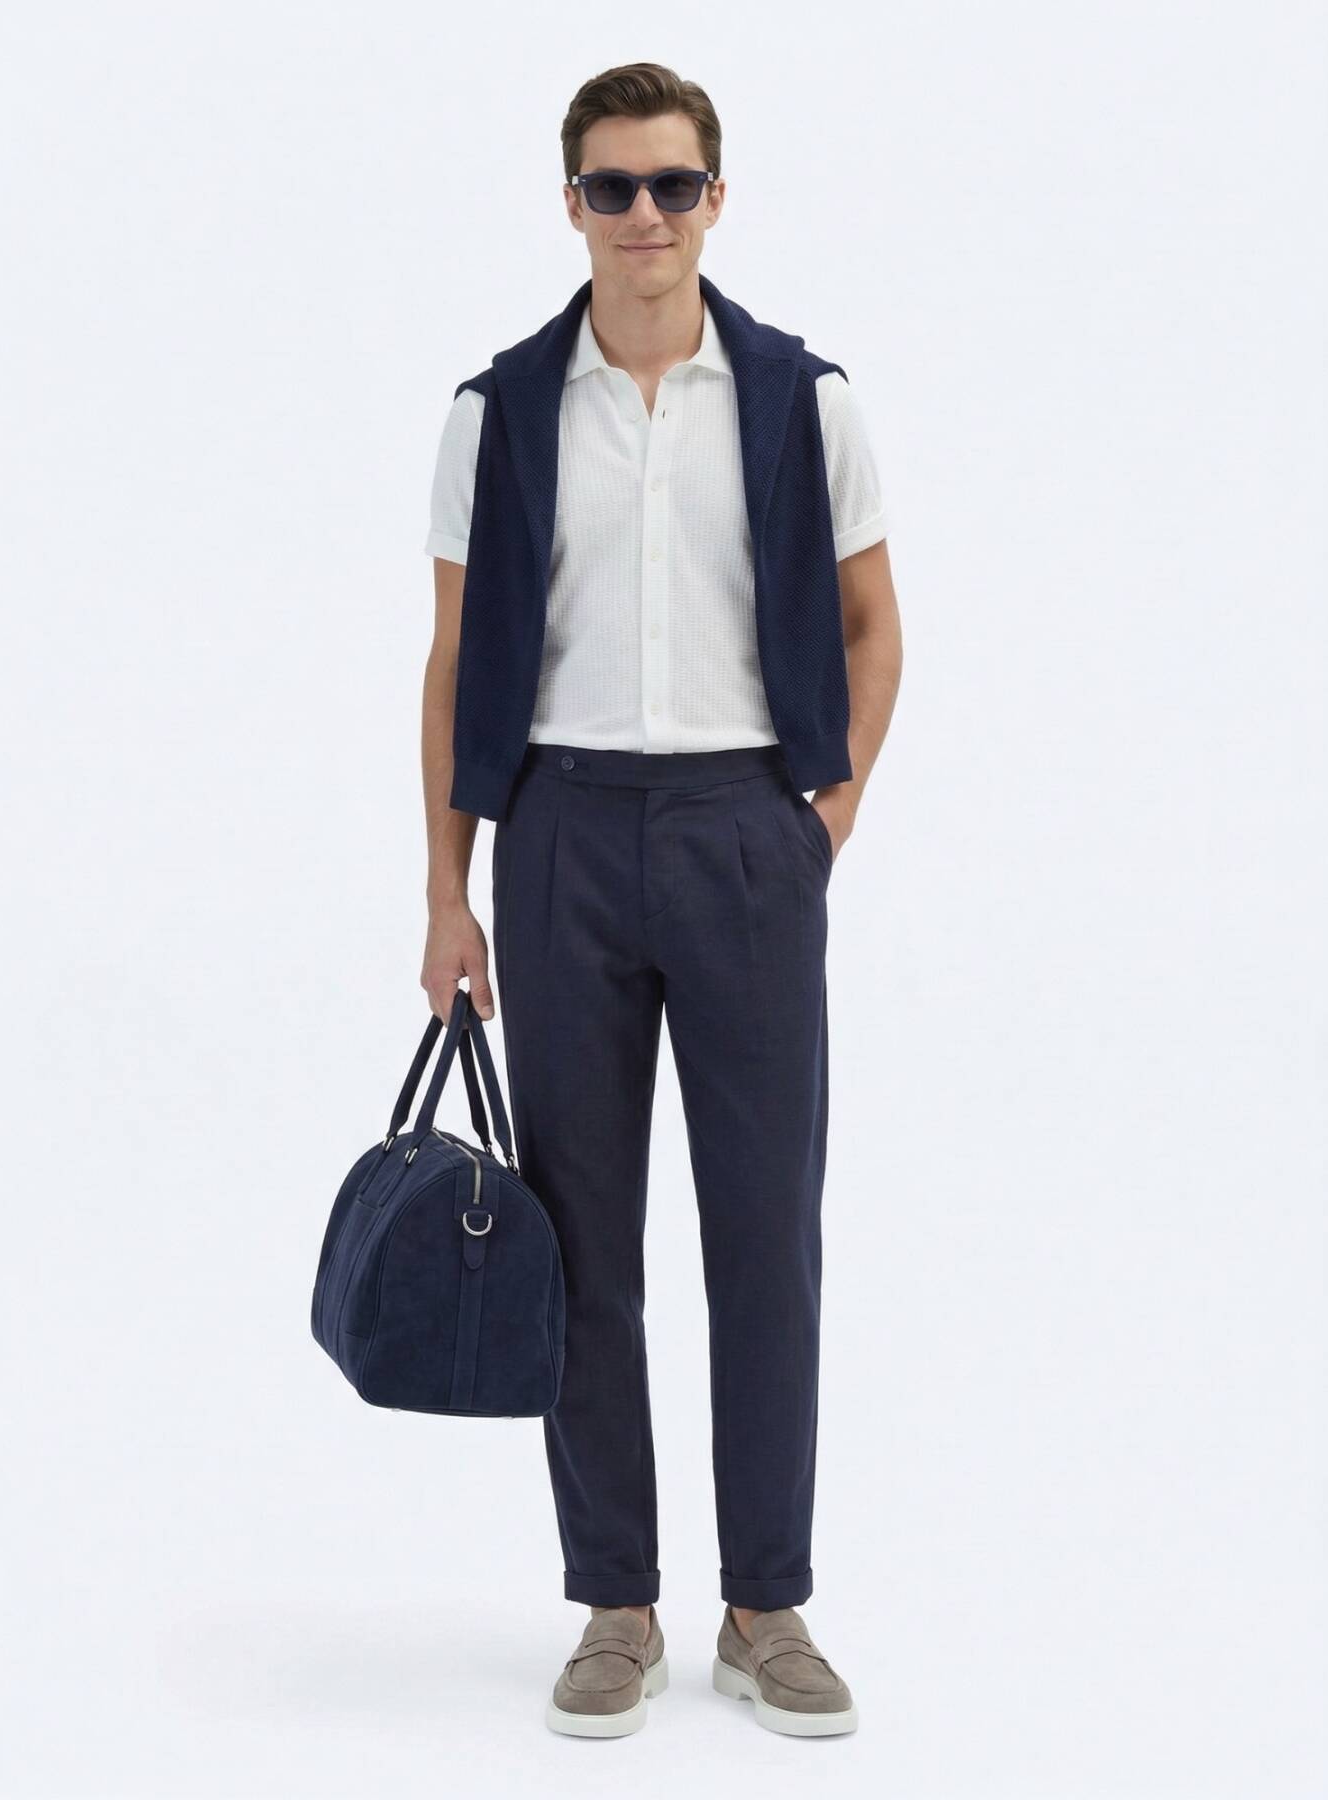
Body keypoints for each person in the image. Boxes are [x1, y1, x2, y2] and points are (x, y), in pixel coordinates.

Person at [418, 61, 902, 1738]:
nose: (644, 215)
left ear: (714, 199)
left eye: (672, 185)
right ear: (571, 204)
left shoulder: (800, 400)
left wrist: (819, 826)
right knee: (579, 1239)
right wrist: (448, 892)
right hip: (558, 832)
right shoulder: (496, 411)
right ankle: (613, 1602)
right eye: (613, 187)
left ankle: (764, 1603)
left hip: (745, 831)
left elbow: (872, 625)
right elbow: (452, 660)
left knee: (765, 1234)